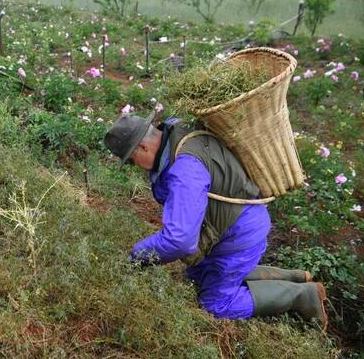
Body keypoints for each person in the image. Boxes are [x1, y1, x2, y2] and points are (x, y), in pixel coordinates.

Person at [104, 111, 328, 329]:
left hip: (239, 235)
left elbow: (179, 240)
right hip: (235, 224)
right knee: (196, 278)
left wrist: (137, 256)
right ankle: (294, 277)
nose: (136, 168)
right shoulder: (178, 130)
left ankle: (302, 296)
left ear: (142, 147)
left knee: (215, 304)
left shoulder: (184, 171)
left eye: (132, 161)